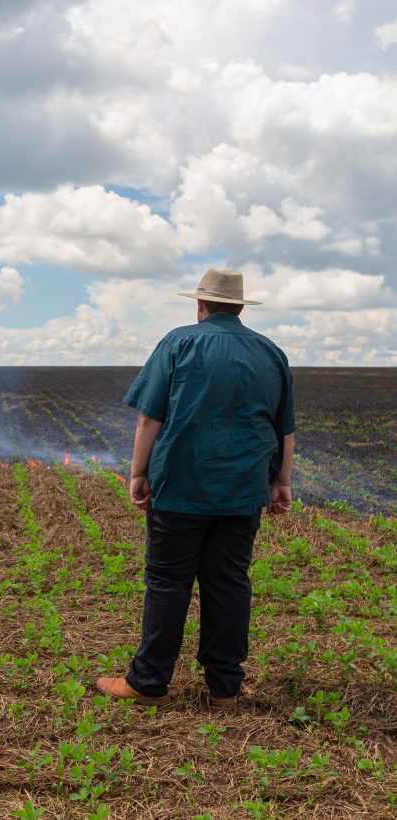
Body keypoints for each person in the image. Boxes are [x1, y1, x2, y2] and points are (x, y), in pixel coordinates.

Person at [96, 268, 295, 711]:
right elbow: (284, 430)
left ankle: (148, 682)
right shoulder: (271, 352)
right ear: (240, 307)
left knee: (168, 581)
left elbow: (150, 417)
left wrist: (137, 473)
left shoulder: (178, 342)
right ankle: (225, 689)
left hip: (181, 485)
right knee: (228, 582)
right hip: (244, 490)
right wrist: (281, 482)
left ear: (200, 305)